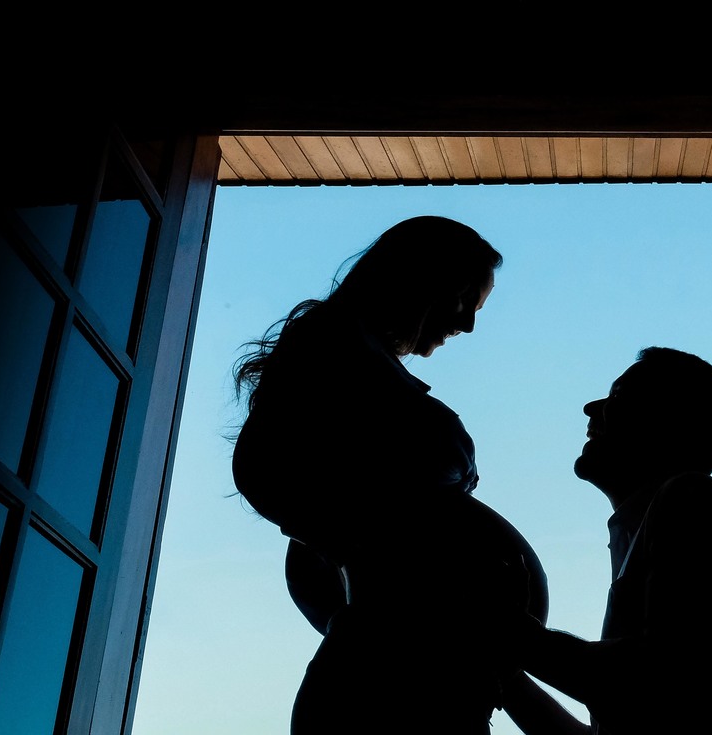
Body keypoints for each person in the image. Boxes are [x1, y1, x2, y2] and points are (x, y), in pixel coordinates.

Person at [230, 215, 547, 734]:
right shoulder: (330, 353)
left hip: (420, 672)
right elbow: (262, 472)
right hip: (390, 682)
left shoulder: (353, 364)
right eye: (465, 301)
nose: (467, 325)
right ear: (421, 282)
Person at [501, 346, 712, 735]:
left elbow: (653, 681)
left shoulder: (695, 498)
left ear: (669, 422)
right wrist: (504, 669)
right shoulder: (660, 523)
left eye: (619, 396)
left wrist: (509, 632)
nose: (591, 408)